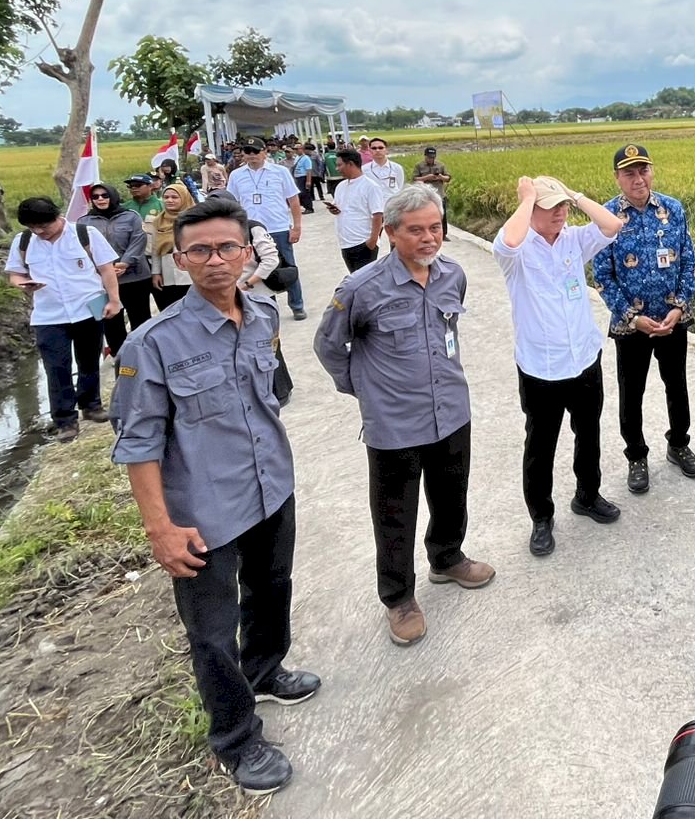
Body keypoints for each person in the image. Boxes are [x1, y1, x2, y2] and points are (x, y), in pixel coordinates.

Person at [111, 195, 318, 796]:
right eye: (199, 250)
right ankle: (236, 738)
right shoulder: (150, 344)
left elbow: (268, 394)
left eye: (228, 247)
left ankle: (266, 668)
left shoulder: (263, 314)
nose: (216, 260)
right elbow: (138, 443)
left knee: (272, 589)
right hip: (202, 511)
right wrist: (160, 528)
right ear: (179, 260)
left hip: (270, 486)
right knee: (211, 631)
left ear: (248, 252)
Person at [314, 184, 494, 646]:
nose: (429, 238)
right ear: (392, 233)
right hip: (394, 423)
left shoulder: (452, 274)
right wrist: (363, 390)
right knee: (395, 513)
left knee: (452, 493)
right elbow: (329, 346)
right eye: (416, 230)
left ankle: (448, 558)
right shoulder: (361, 288)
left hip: (451, 408)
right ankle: (398, 598)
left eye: (435, 228)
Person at [495, 175, 626, 557]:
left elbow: (612, 225)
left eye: (562, 207)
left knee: (589, 434)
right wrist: (526, 198)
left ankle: (587, 495)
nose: (560, 214)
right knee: (541, 446)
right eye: (550, 208)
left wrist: (575, 194)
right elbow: (509, 240)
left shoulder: (573, 239)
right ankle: (541, 517)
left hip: (584, 358)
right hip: (541, 367)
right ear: (531, 210)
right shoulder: (517, 255)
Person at [590, 144, 695, 494]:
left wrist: (679, 307)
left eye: (643, 170)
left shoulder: (672, 209)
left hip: (672, 320)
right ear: (617, 178)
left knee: (677, 385)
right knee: (631, 392)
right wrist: (632, 316)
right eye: (629, 173)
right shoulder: (607, 217)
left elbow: (688, 260)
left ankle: (679, 443)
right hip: (630, 327)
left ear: (651, 172)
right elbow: (602, 277)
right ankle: (636, 455)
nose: (638, 179)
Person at [5, 197, 122, 442]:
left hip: (88, 307)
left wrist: (113, 300)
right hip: (48, 314)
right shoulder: (24, 241)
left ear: (57, 217)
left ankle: (91, 405)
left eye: (43, 227)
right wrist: (23, 284)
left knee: (89, 360)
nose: (39, 232)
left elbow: (106, 269)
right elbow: (15, 273)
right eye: (33, 228)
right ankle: (65, 420)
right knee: (56, 367)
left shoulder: (84, 234)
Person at [227, 136, 306, 320]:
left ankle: (297, 305)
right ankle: (267, 306)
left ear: (265, 152)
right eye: (248, 151)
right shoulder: (236, 175)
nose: (252, 155)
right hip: (251, 230)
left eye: (256, 151)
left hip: (277, 227)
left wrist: (297, 227)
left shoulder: (280, 172)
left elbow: (293, 201)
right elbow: (232, 203)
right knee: (255, 269)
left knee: (287, 267)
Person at [83, 182, 150, 354]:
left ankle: (144, 356)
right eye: (95, 197)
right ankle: (119, 358)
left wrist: (125, 263)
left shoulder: (131, 216)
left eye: (104, 195)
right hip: (101, 281)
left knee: (141, 320)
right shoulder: (84, 222)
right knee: (110, 323)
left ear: (112, 196)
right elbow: (83, 250)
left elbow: (138, 240)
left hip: (134, 277)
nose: (100, 199)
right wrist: (104, 269)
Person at [326, 148, 387, 272]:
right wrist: (334, 210)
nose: (337, 169)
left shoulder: (370, 186)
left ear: (351, 164)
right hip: (346, 242)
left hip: (363, 242)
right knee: (354, 280)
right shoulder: (341, 186)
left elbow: (378, 215)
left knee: (366, 282)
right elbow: (341, 207)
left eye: (339, 165)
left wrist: (373, 241)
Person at [150, 183, 194, 308]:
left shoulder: (195, 218)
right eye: (166, 197)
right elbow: (155, 249)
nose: (169, 200)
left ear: (184, 198)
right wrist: (156, 273)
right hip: (168, 272)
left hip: (190, 272)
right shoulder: (158, 221)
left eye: (174, 197)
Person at [292, 144, 315, 214]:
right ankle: (304, 206)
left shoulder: (306, 158)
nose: (296, 151)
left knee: (305, 193)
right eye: (295, 149)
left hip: (303, 177)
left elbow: (309, 170)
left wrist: (308, 181)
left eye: (297, 149)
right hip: (298, 177)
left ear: (302, 149)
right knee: (300, 193)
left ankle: (309, 208)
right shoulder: (296, 157)